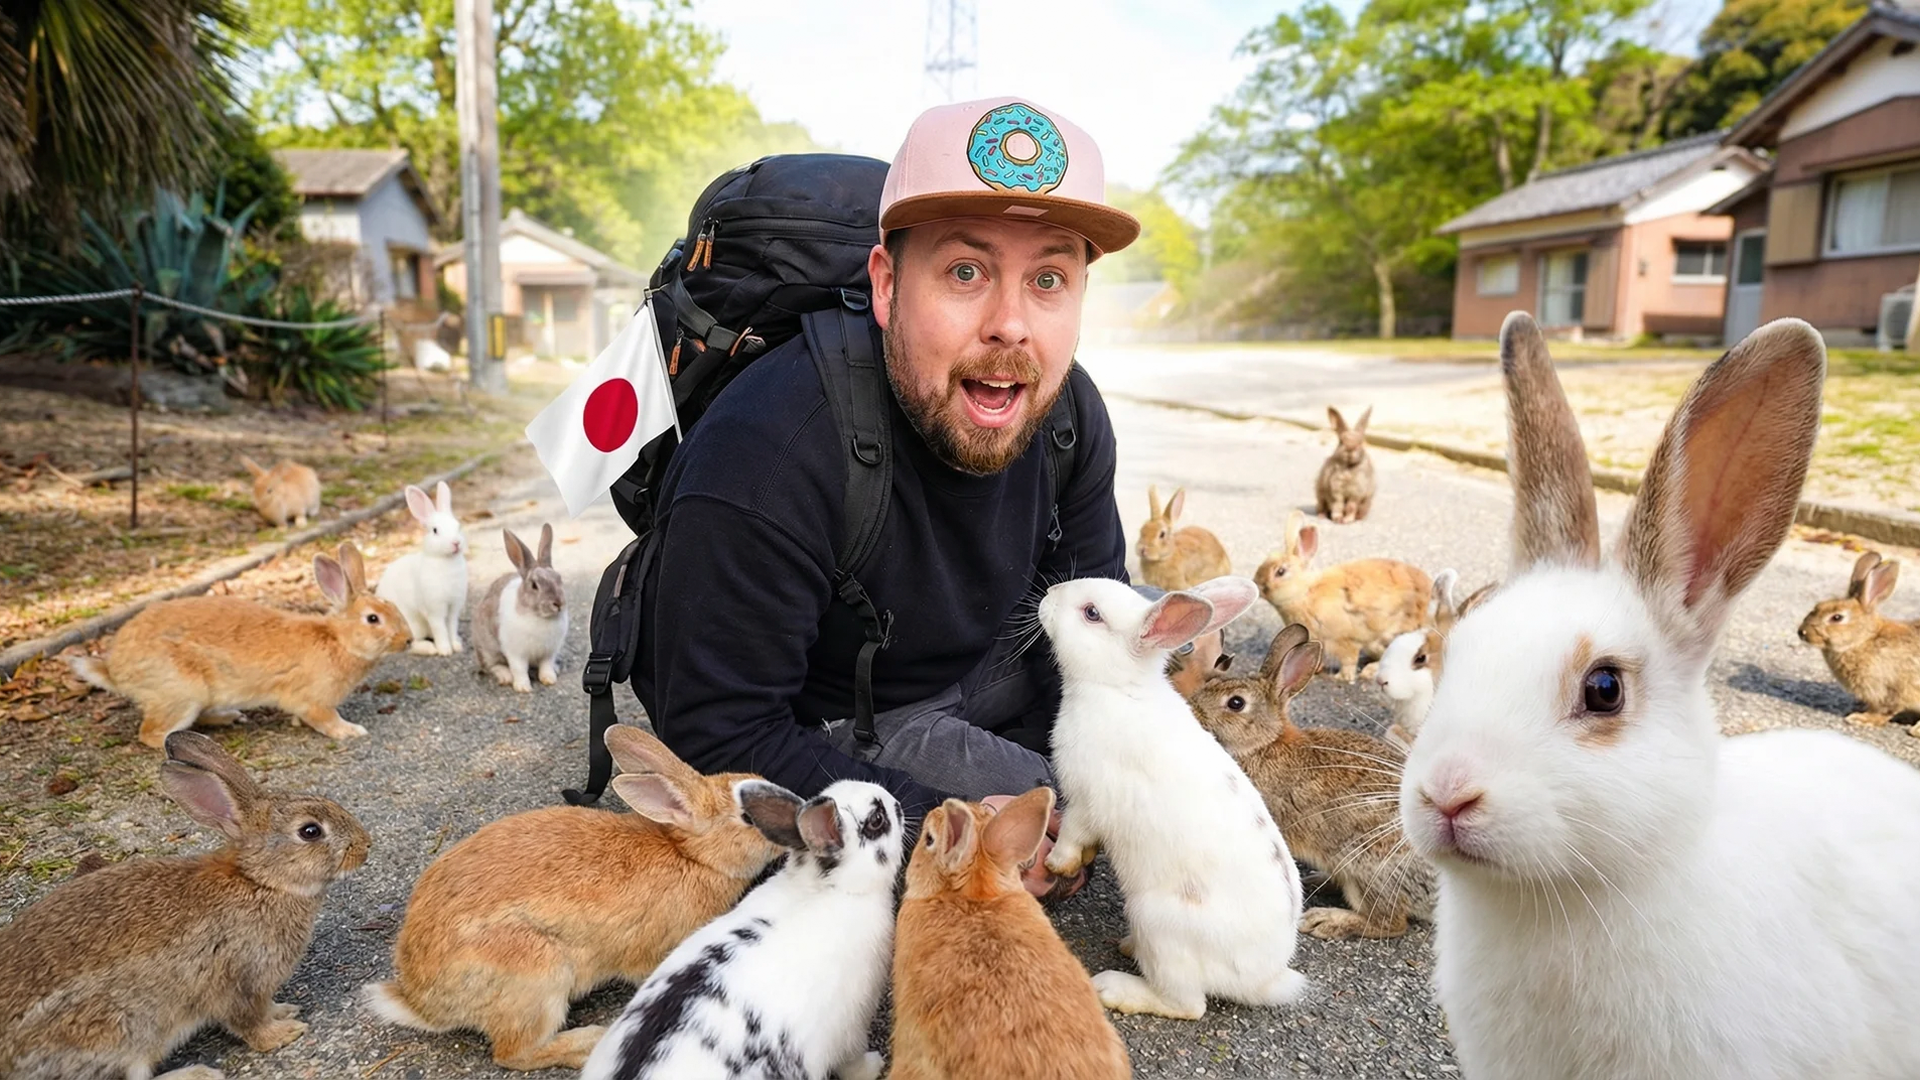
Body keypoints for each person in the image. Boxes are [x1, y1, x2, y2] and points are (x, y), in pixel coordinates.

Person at [634, 96, 1140, 898]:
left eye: (1049, 278)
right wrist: (950, 836)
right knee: (1071, 826)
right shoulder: (769, 446)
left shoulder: (1070, 411)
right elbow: (721, 729)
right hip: (838, 716)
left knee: (1137, 794)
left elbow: (1094, 635)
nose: (1010, 325)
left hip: (979, 658)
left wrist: (1109, 769)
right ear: (885, 285)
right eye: (965, 272)